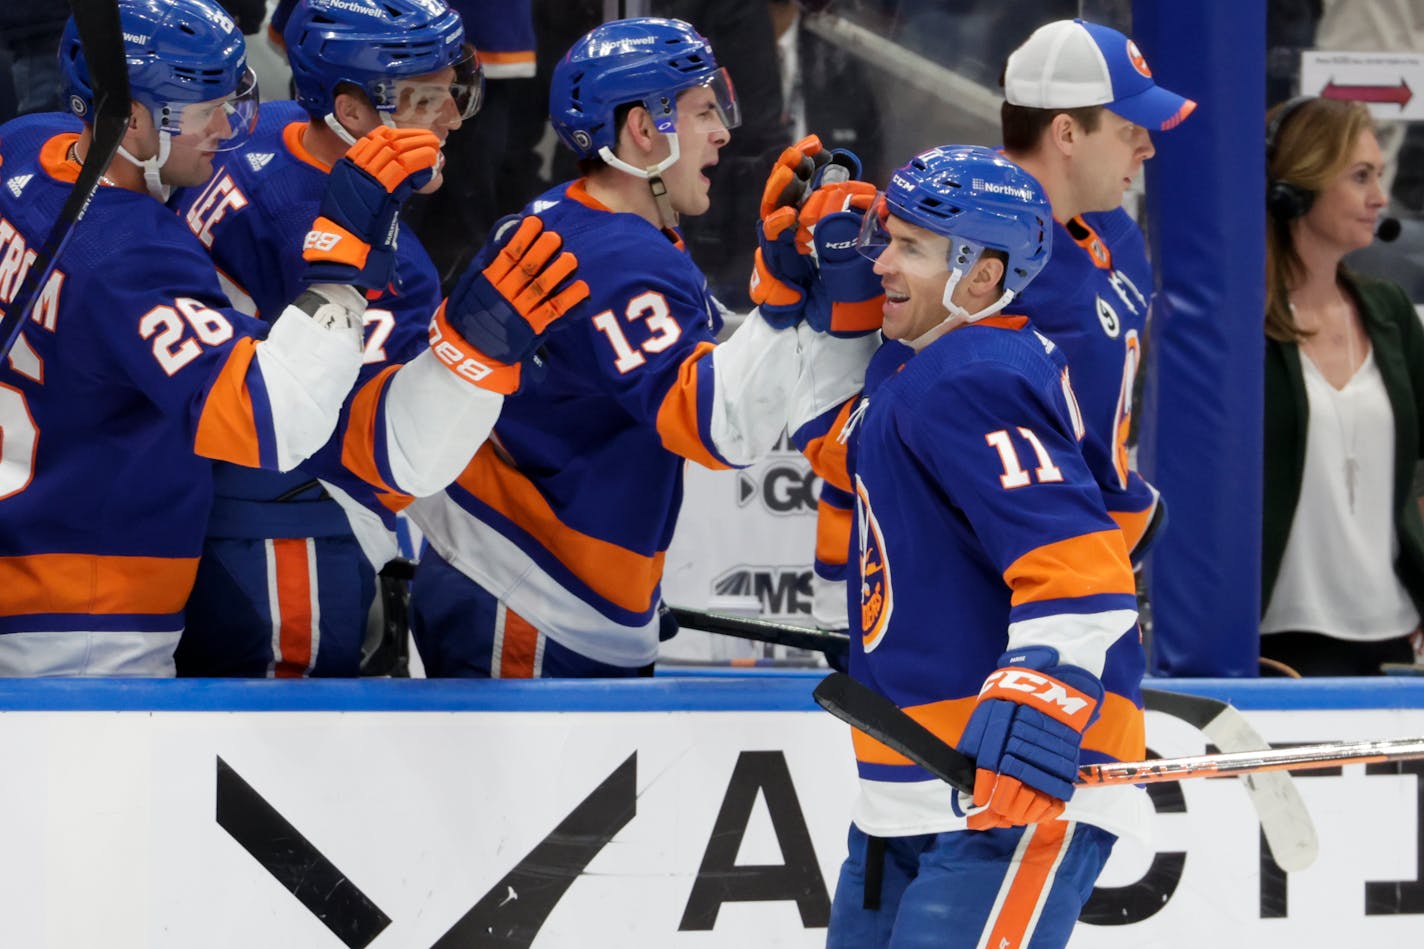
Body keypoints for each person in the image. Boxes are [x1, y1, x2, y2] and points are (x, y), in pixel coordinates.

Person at [404, 16, 873, 678]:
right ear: (643, 129)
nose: (722, 132)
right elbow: (719, 426)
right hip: (527, 592)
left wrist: (789, 302)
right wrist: (786, 302)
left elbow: (708, 371)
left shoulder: (590, 223)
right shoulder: (617, 255)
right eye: (704, 110)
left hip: (520, 584)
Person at [0, 0, 440, 675]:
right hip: (84, 617)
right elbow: (273, 422)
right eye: (202, 110)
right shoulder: (132, 256)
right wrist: (339, 275)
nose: (226, 125)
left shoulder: (26, 143)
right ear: (135, 119)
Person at [169, 0, 586, 678]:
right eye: (426, 99)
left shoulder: (253, 133)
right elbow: (385, 462)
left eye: (455, 90)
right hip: (291, 536)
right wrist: (469, 366)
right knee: (288, 754)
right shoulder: (388, 271)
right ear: (352, 110)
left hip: (201, 504)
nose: (452, 117)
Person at [807, 145, 1147, 949]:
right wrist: (817, 305)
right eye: (887, 236)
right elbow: (833, 444)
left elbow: (1082, 572)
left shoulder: (976, 373)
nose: (881, 262)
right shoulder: (915, 364)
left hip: (1003, 789)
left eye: (911, 248)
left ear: (983, 275)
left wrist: (1040, 703)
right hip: (916, 779)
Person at [999, 18, 1196, 560]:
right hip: (1006, 565)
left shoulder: (1119, 236)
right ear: (1066, 134)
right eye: (1130, 128)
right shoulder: (963, 235)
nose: (1147, 148)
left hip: (1098, 550)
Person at [1261, 95, 1424, 676]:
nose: (1380, 197)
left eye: (1378, 175)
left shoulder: (1389, 311)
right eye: (1360, 177)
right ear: (1295, 189)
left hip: (1392, 636)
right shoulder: (1238, 328)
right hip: (1273, 642)